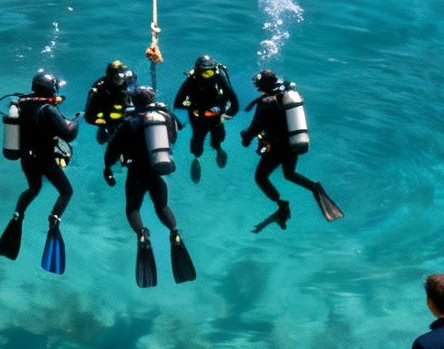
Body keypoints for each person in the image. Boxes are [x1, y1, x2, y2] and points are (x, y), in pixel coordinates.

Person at [104, 84, 196, 287]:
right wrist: (165, 111)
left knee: (133, 208)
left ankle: (142, 234)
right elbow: (177, 129)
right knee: (162, 206)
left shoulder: (130, 122)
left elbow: (113, 147)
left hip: (136, 171)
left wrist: (107, 167)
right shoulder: (164, 118)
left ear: (134, 103)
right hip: (157, 169)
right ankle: (174, 231)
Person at [0, 72, 78, 274]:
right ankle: (55, 218)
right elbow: (67, 134)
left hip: (26, 159)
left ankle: (18, 215)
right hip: (45, 160)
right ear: (51, 88)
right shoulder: (48, 108)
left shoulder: (21, 104)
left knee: (33, 188)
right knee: (66, 191)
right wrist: (75, 122)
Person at [243, 68, 342, 231]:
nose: (257, 89)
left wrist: (246, 138)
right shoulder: (288, 94)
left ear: (262, 86)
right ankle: (314, 187)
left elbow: (255, 128)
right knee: (289, 174)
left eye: (258, 86)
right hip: (293, 145)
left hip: (277, 148)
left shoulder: (265, 103)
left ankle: (282, 205)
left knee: (260, 177)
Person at [173, 54, 239, 182]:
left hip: (216, 114)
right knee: (198, 137)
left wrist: (225, 116)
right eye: (205, 73)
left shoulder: (219, 77)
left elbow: (234, 103)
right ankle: (196, 159)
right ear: (198, 72)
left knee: (217, 137)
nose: (209, 76)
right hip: (198, 116)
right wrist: (195, 108)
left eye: (211, 72)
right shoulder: (191, 80)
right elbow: (178, 104)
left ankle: (218, 149)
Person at [84, 59, 137, 143]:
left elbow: (133, 80)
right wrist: (103, 123)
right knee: (104, 139)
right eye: (117, 78)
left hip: (126, 110)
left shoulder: (129, 77)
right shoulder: (99, 89)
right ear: (110, 78)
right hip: (109, 116)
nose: (121, 80)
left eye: (123, 77)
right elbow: (88, 117)